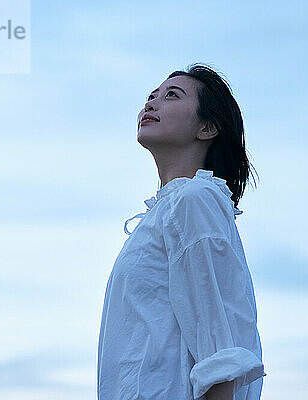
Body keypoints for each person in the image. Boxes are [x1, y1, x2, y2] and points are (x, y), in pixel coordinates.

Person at [97, 63, 265, 400]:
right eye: (151, 96)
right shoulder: (165, 212)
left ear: (206, 127)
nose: (151, 104)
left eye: (172, 96)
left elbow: (220, 348)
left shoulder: (194, 199)